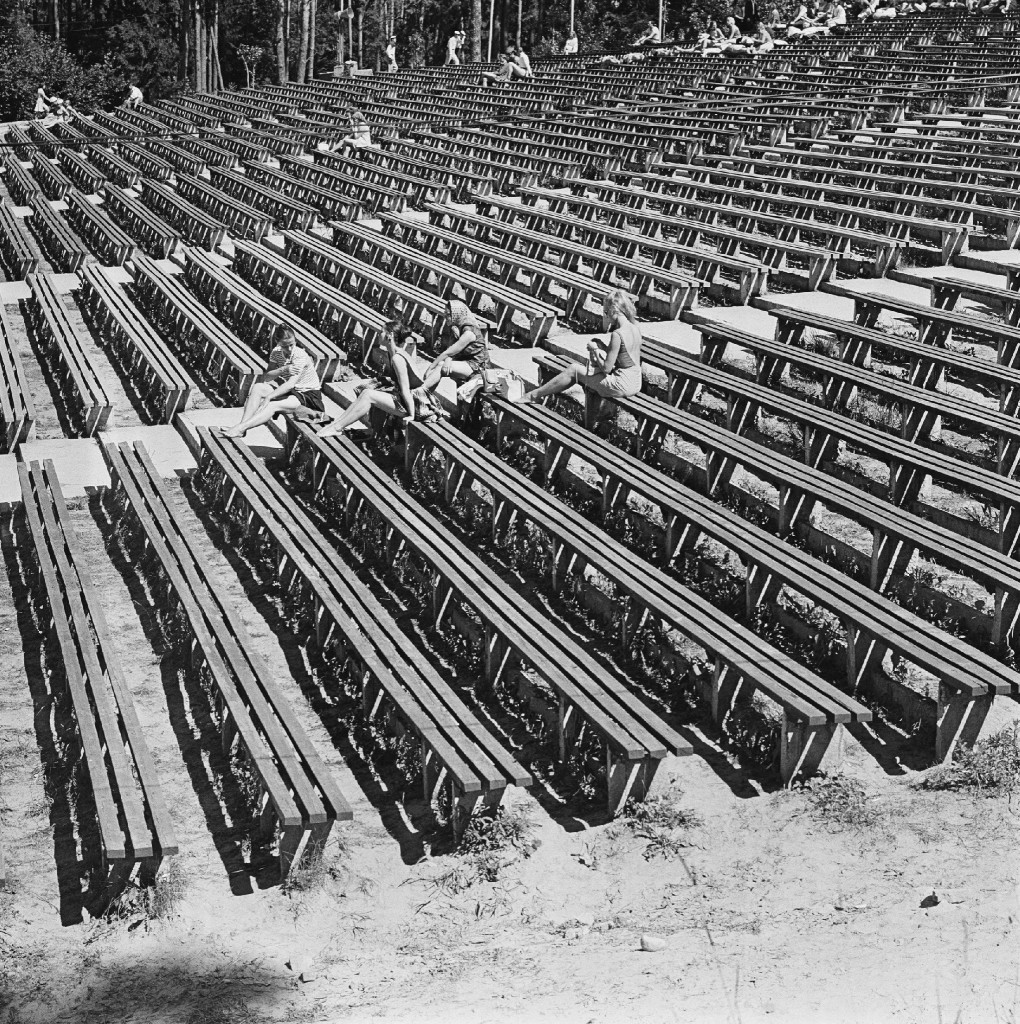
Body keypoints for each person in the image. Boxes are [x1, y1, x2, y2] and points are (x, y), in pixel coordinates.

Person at [513, 290, 642, 405]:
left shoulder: (617, 334)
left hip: (621, 385)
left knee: (573, 370)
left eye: (606, 312)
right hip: (636, 382)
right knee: (582, 370)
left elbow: (607, 368)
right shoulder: (635, 327)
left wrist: (595, 350)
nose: (606, 317)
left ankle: (533, 395)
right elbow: (625, 356)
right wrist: (602, 346)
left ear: (614, 310)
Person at [317, 321, 443, 437]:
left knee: (368, 395)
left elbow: (405, 389)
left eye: (382, 331)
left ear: (390, 335)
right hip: (409, 398)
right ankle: (336, 425)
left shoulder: (397, 358)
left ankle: (338, 428)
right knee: (366, 390)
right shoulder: (393, 353)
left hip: (416, 403)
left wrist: (411, 415)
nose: (379, 334)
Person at [223, 325, 324, 438]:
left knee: (271, 405)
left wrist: (269, 397)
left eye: (292, 344)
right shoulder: (276, 352)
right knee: (258, 387)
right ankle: (242, 427)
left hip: (308, 395)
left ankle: (240, 428)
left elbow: (290, 384)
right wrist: (284, 368)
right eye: (285, 346)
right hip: (293, 392)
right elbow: (268, 377)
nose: (289, 349)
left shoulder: (299, 355)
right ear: (278, 342)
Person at [426, 299, 490, 383]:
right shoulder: (456, 327)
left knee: (441, 365)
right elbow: (451, 350)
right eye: (445, 313)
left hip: (479, 367)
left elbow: (448, 352)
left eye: (448, 314)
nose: (445, 316)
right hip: (466, 362)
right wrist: (449, 359)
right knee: (445, 365)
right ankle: (424, 391)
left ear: (457, 314)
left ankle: (423, 390)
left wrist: (430, 368)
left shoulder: (468, 332)